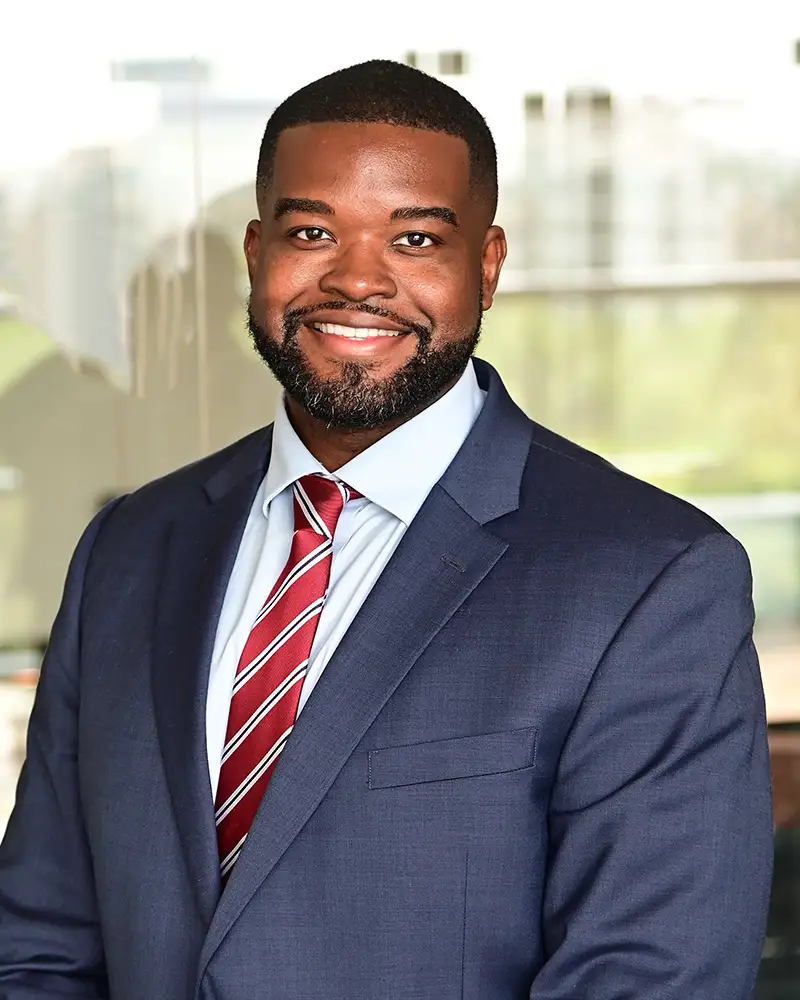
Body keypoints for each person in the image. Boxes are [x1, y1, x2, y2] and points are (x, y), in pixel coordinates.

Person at [0, 59, 773, 1000]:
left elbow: (654, 978)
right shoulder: (130, 548)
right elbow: (38, 942)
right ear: (255, 254)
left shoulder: (651, 579)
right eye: (314, 231)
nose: (357, 278)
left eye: (413, 238)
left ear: (485, 267)